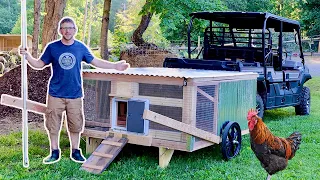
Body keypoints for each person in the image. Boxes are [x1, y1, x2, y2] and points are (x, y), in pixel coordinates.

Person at [19, 17, 130, 164]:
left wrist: (115, 66)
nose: (67, 31)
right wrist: (27, 57)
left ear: (75, 30)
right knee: (53, 124)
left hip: (75, 94)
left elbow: (96, 62)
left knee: (76, 124)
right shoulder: (52, 47)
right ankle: (54, 151)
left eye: (70, 28)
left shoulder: (80, 47)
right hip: (55, 93)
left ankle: (75, 151)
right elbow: (39, 64)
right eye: (64, 28)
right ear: (60, 30)